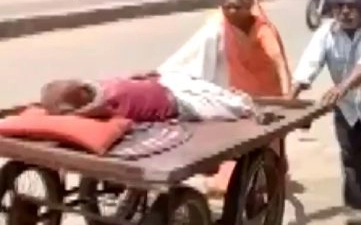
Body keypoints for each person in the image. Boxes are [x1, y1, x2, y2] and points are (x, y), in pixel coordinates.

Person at [158, 0, 292, 195]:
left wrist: (287, 94)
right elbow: (194, 50)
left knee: (272, 135)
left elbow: (278, 61)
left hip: (269, 87)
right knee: (245, 133)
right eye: (227, 7)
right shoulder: (219, 25)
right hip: (243, 87)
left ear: (250, 8)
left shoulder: (262, 29)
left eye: (238, 8)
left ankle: (273, 171)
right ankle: (251, 174)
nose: (232, 12)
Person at [288, 0, 361, 225]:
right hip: (345, 106)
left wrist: (342, 87)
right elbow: (309, 65)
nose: (344, 12)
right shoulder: (326, 32)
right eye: (338, 6)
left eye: (351, 7)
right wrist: (289, 100)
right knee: (350, 156)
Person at [39, 73, 254, 122]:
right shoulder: (104, 97)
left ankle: (236, 99)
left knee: (215, 95)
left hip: (169, 90)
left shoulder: (104, 97)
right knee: (224, 103)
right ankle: (238, 100)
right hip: (174, 99)